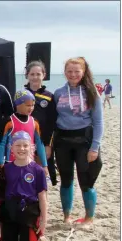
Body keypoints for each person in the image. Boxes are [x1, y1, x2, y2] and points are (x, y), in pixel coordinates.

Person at [53, 57, 103, 227]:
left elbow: (98, 122)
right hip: (63, 142)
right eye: (69, 71)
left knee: (86, 181)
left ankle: (89, 218)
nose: (73, 74)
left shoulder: (91, 92)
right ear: (65, 72)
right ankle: (66, 216)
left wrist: (95, 147)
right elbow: (53, 119)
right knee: (66, 180)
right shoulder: (58, 92)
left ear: (83, 72)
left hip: (85, 141)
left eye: (76, 71)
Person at [0, 131, 48, 241]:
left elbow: (42, 197)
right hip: (9, 211)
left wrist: (44, 220)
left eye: (25, 145)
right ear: (11, 148)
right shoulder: (5, 168)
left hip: (29, 212)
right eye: (18, 145)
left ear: (32, 148)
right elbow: (1, 195)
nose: (22, 148)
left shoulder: (38, 170)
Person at [24, 61, 57, 185]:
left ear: (44, 75)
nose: (35, 77)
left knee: (42, 174)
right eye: (32, 74)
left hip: (43, 141)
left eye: (38, 74)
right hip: (25, 140)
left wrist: (48, 145)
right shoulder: (21, 94)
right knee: (26, 172)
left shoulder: (49, 96)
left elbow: (53, 123)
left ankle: (41, 202)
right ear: (27, 75)